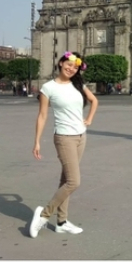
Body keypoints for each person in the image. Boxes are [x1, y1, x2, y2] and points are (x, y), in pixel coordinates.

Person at [29, 51, 98, 238]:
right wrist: (37, 141)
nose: (71, 69)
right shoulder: (48, 88)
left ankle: (61, 222)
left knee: (66, 180)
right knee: (74, 181)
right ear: (60, 63)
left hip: (81, 137)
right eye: (68, 64)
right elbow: (42, 115)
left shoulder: (78, 85)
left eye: (75, 67)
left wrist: (89, 119)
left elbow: (94, 101)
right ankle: (43, 215)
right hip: (64, 138)